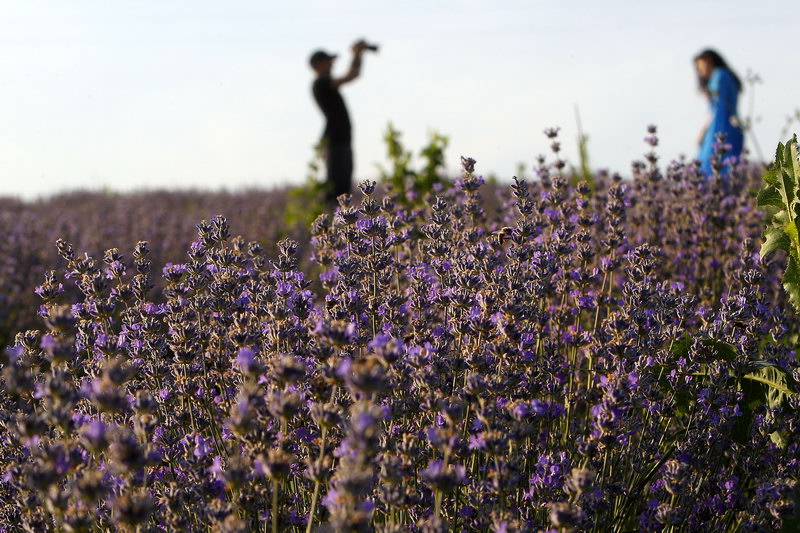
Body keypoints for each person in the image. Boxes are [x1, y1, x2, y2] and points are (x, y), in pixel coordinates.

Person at [310, 40, 375, 204]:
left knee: (344, 187)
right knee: (336, 189)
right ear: (317, 65)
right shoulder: (320, 84)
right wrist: (357, 54)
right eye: (328, 61)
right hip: (335, 143)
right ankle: (331, 222)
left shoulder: (327, 84)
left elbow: (354, 75)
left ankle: (340, 222)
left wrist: (358, 54)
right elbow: (351, 75)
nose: (332, 64)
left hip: (342, 141)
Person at [694, 49, 743, 174]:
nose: (701, 72)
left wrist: (702, 132)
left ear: (709, 61)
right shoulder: (727, 75)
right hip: (734, 129)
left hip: (719, 129)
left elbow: (716, 110)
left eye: (701, 67)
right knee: (731, 171)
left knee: (707, 168)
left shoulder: (718, 76)